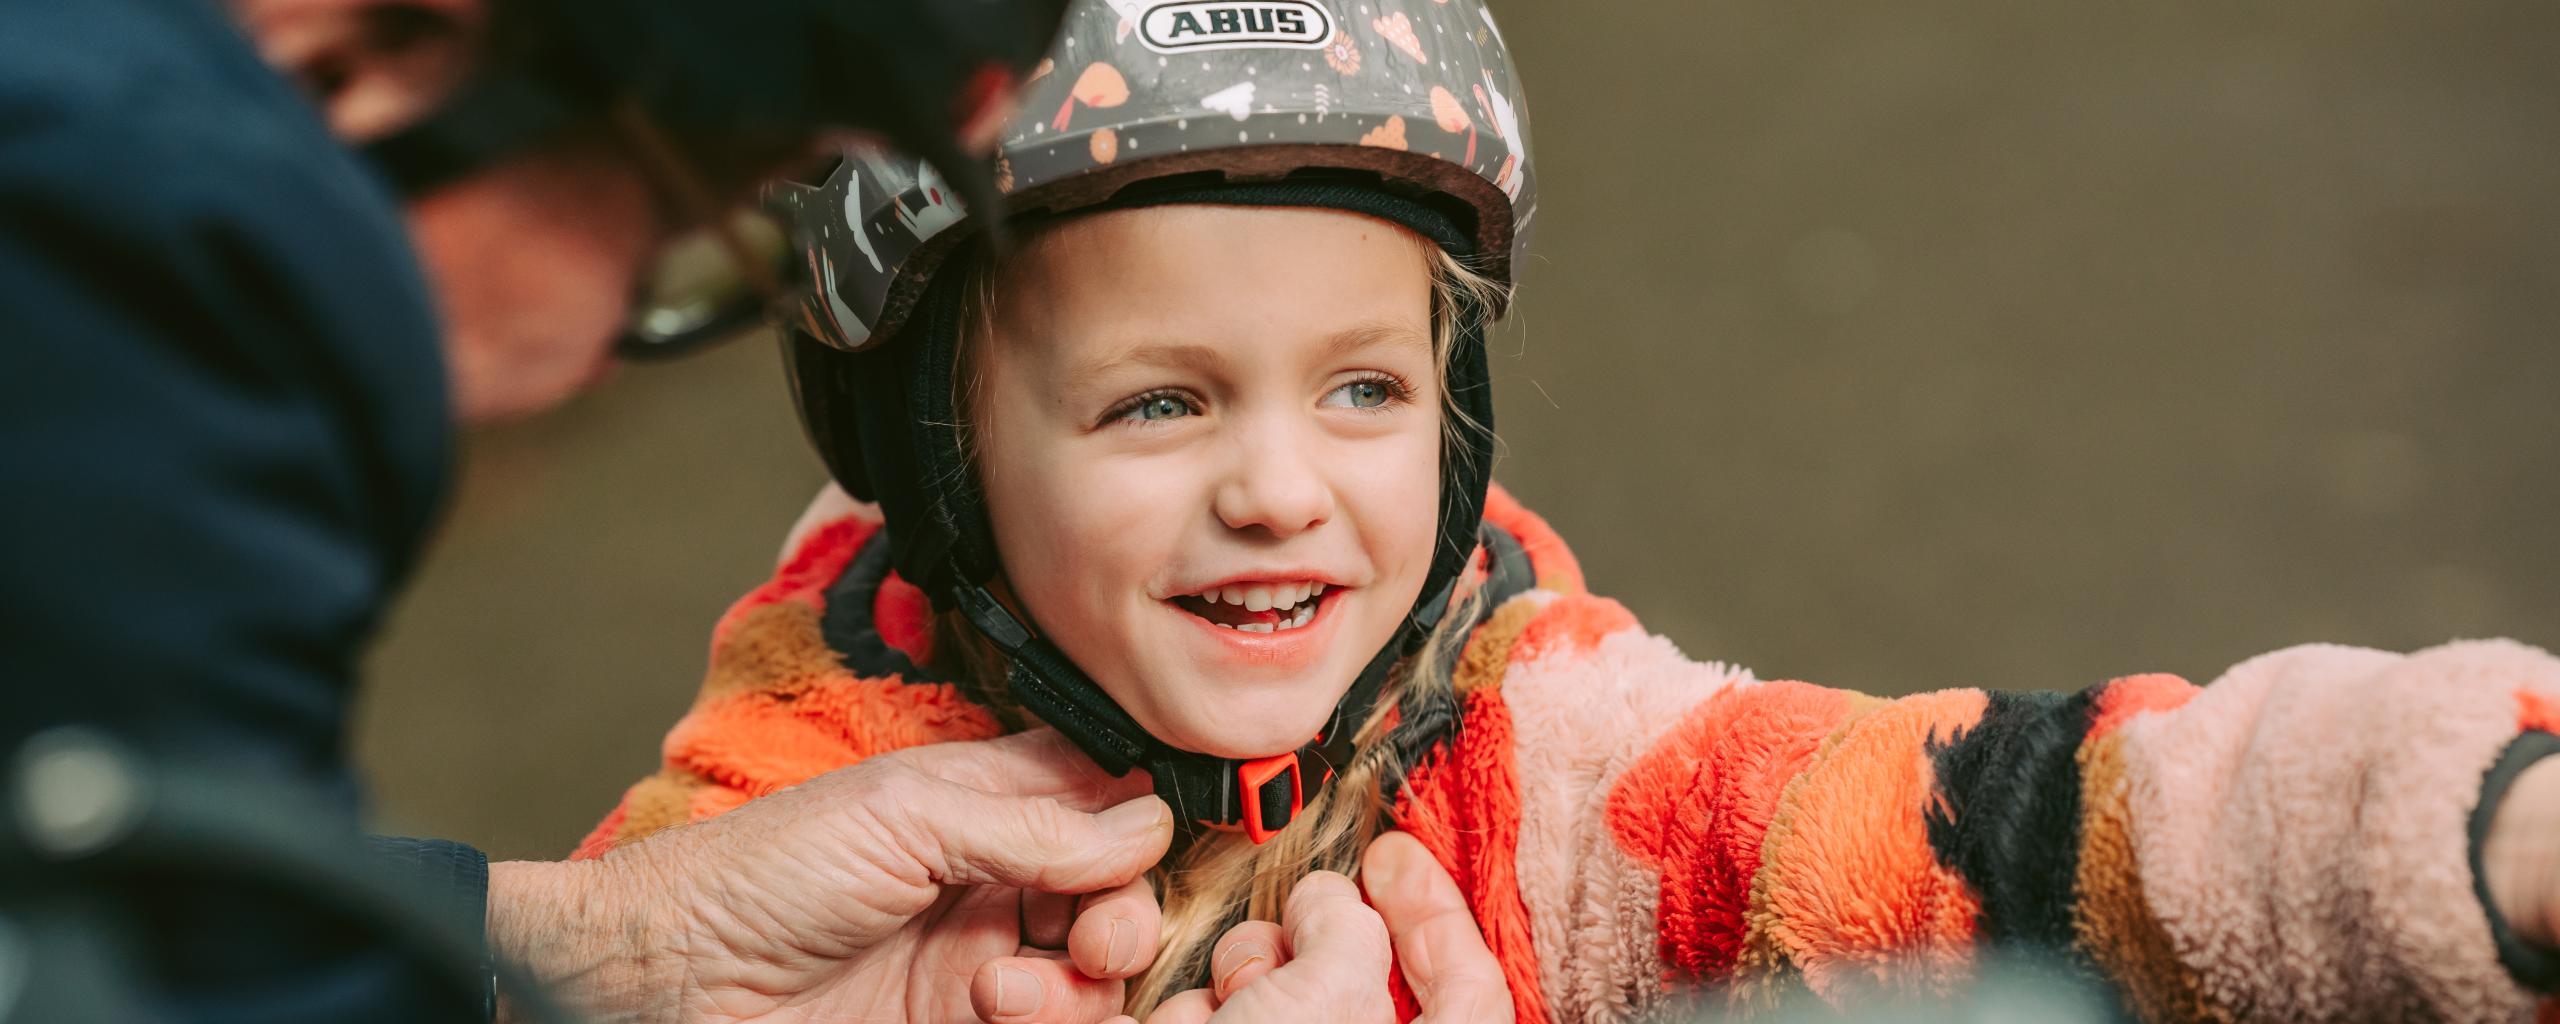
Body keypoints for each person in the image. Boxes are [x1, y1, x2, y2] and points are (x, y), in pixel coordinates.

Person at [570, 0, 2560, 1020]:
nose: (1279, 485)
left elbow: (1955, 820)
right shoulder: (765, 863)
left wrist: (2471, 825)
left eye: (1362, 385)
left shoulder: (1520, 739)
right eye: (1157, 398)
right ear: (931, 453)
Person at [4, 0, 1466, 1020]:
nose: (585, 363)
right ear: (359, 53)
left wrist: (604, 950)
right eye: (682, 263)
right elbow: (173, 971)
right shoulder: (132, 288)